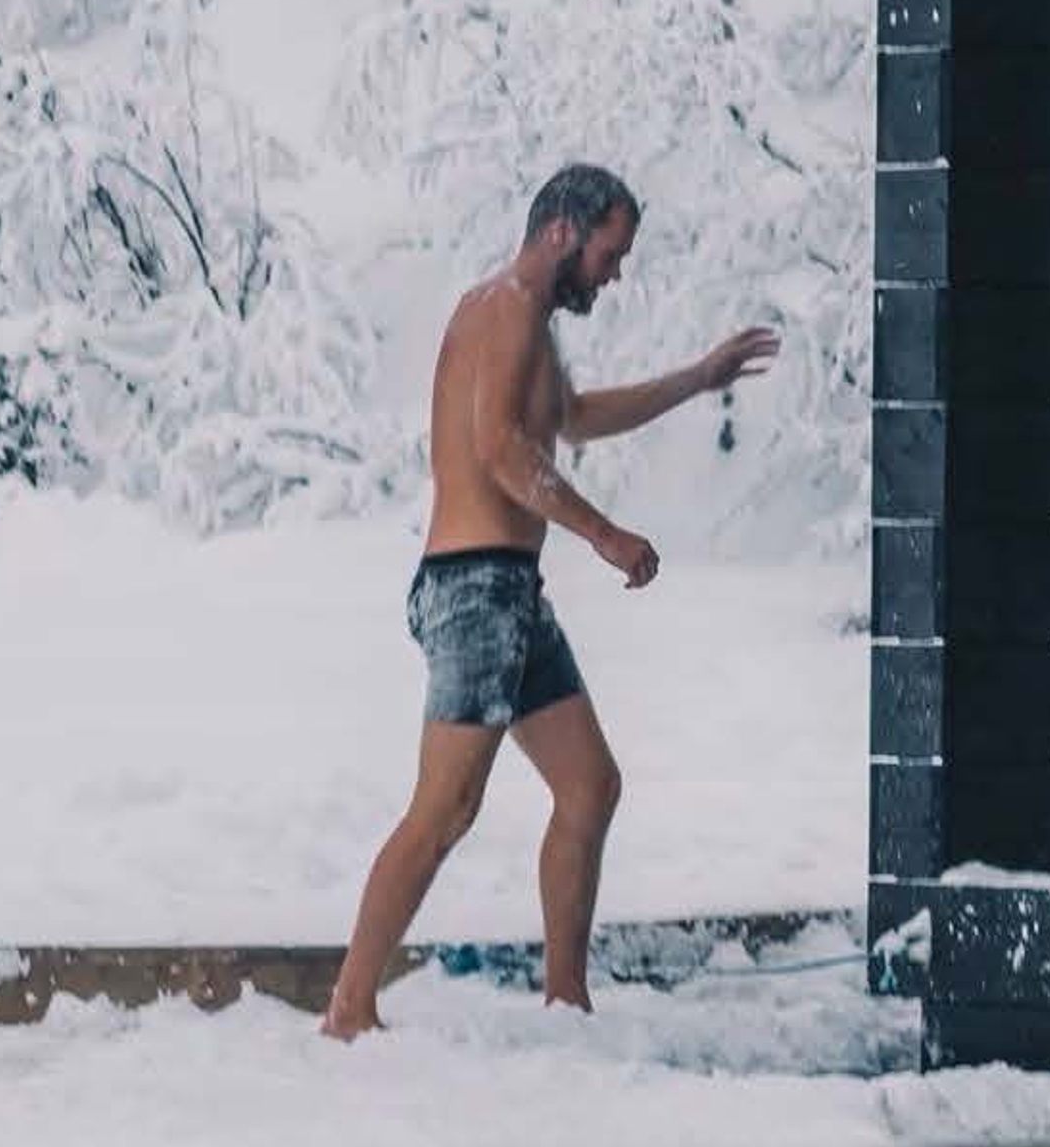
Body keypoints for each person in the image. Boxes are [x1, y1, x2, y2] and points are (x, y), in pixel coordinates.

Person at [318, 164, 778, 1040]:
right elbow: (499, 450)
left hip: (508, 592)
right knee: (446, 808)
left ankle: (567, 1004)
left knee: (589, 785)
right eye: (611, 253)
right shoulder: (503, 311)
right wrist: (606, 536)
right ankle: (348, 1012)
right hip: (473, 590)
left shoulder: (526, 324)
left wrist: (697, 377)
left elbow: (569, 417)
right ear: (563, 232)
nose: (616, 273)